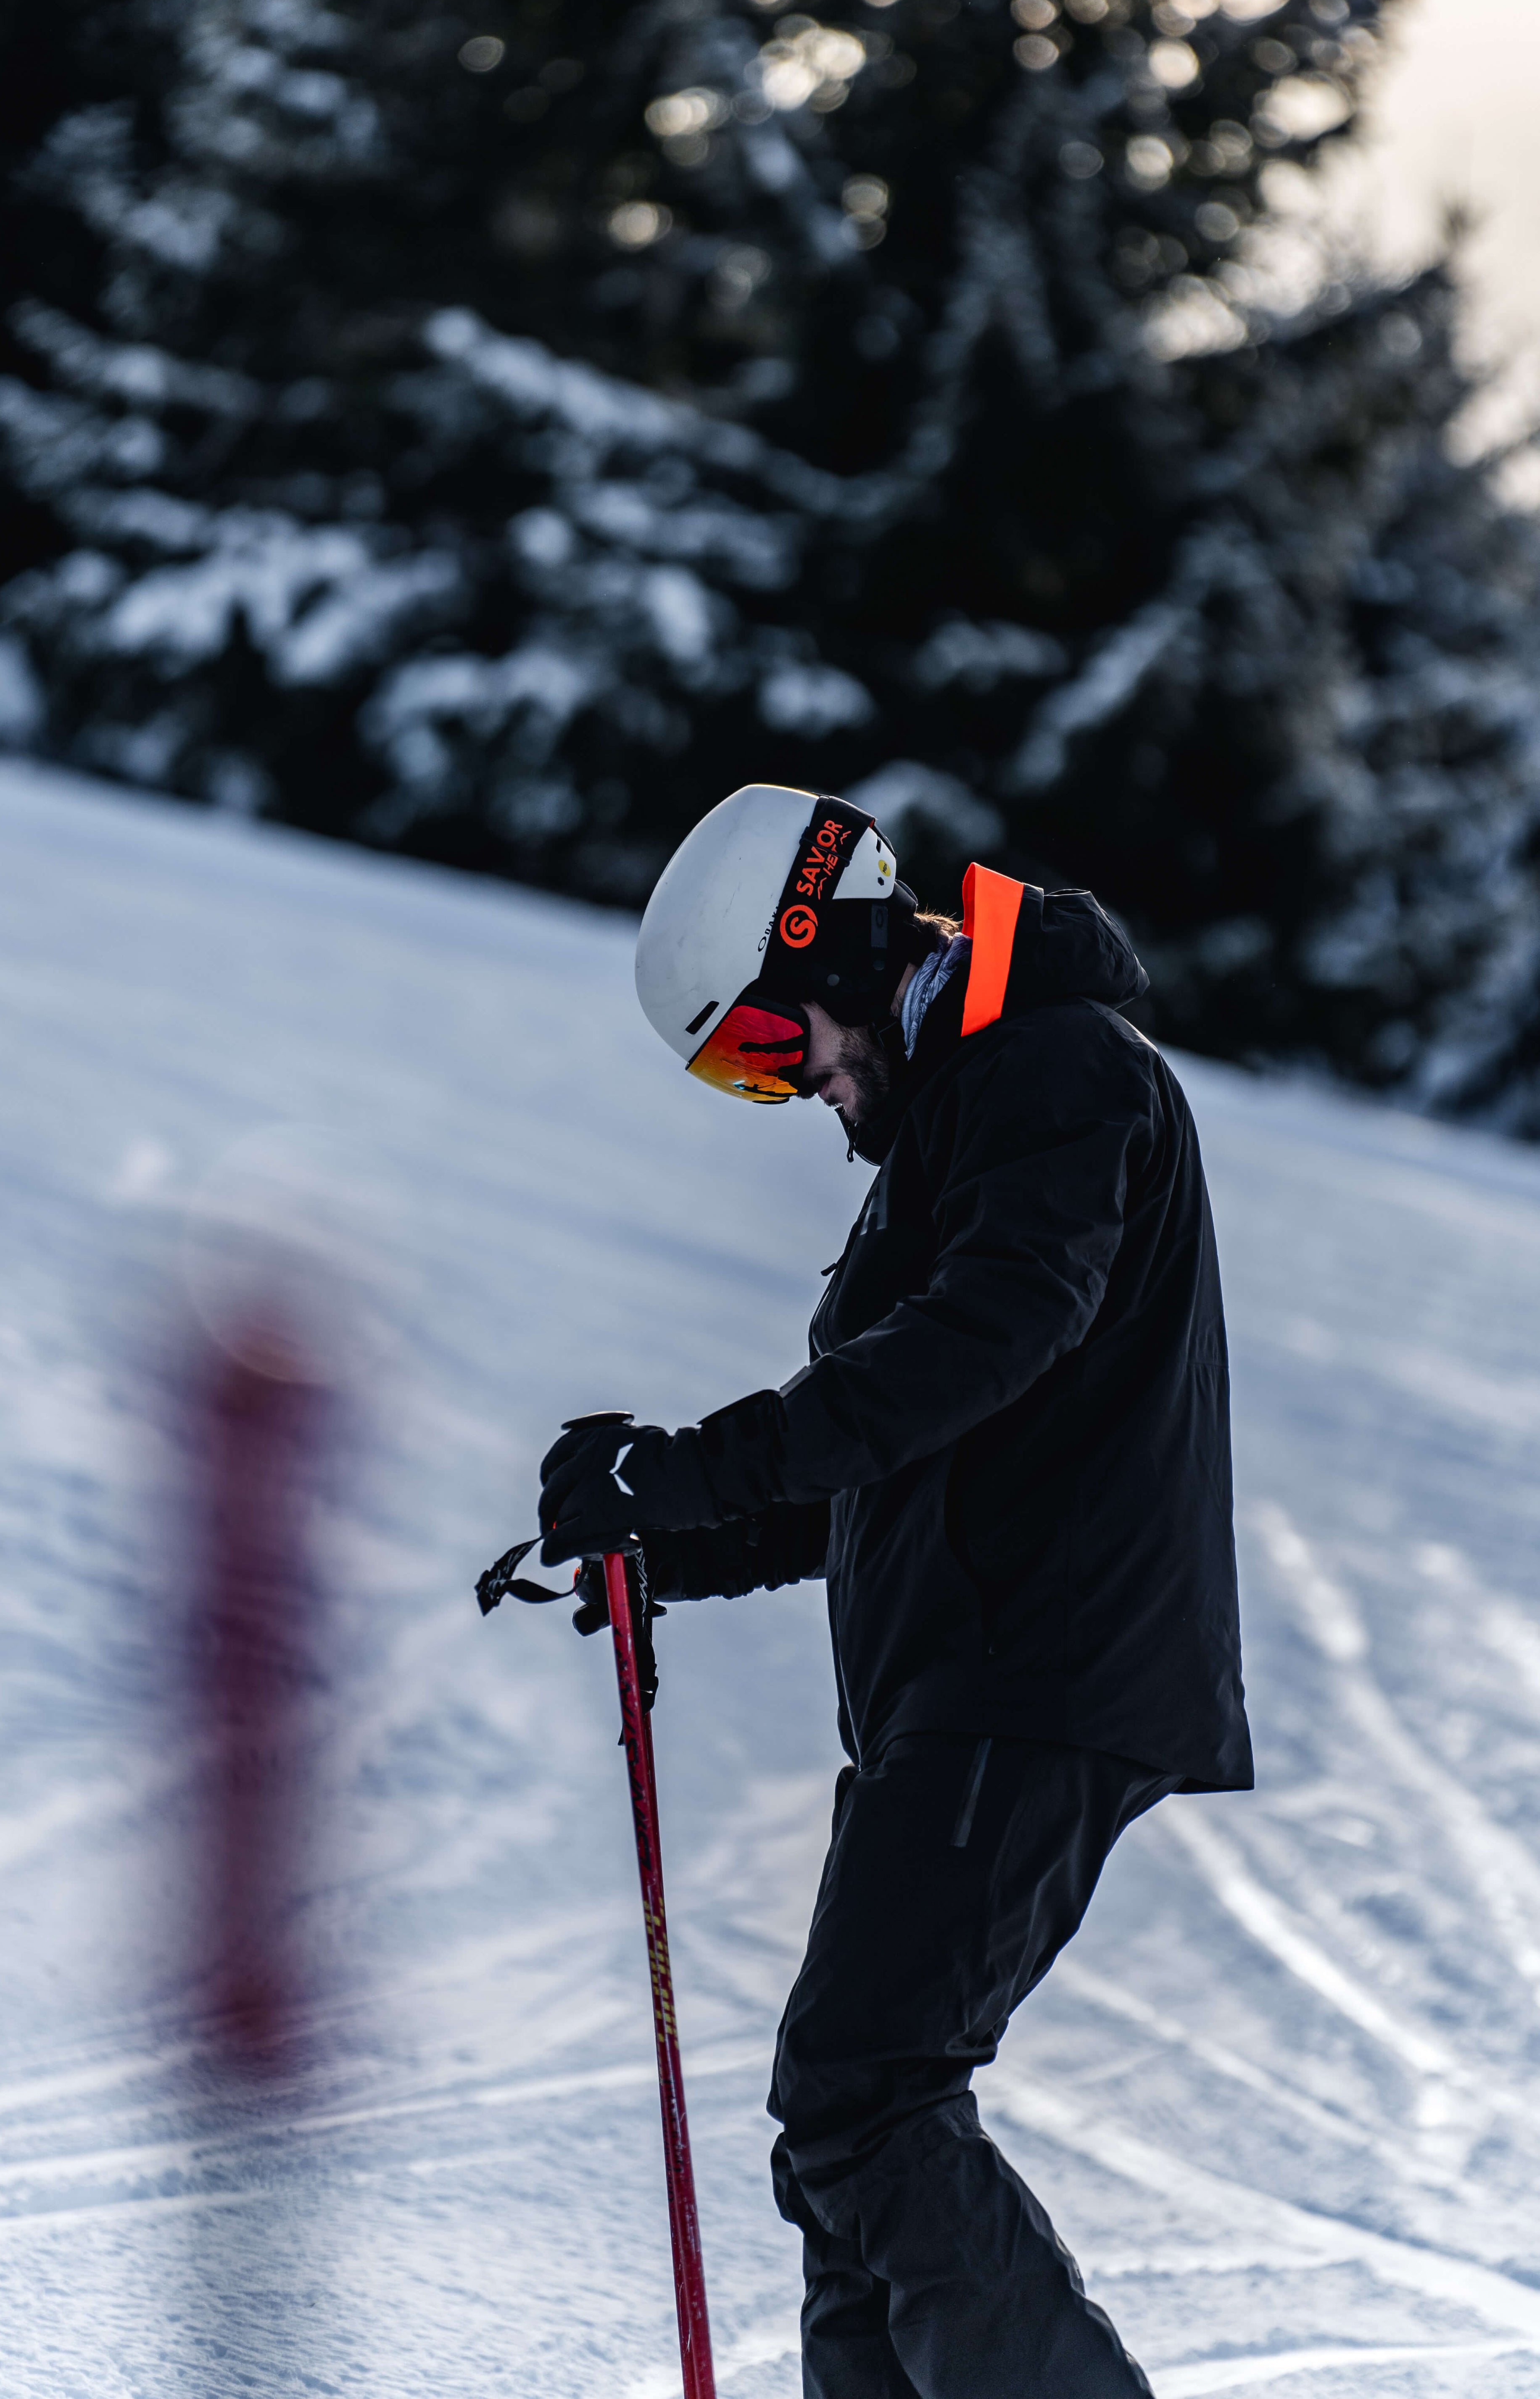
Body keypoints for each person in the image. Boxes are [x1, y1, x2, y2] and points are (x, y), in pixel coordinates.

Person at [536, 784, 1252, 2398]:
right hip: (975, 1679)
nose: (797, 1098)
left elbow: (978, 1354)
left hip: (1039, 1675)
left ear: (833, 951)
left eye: (774, 1051)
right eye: (745, 1078)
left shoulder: (1058, 1070)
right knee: (848, 2130)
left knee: (865, 2096)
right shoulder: (967, 1104)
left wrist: (689, 1470)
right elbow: (901, 1457)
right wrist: (674, 1542)